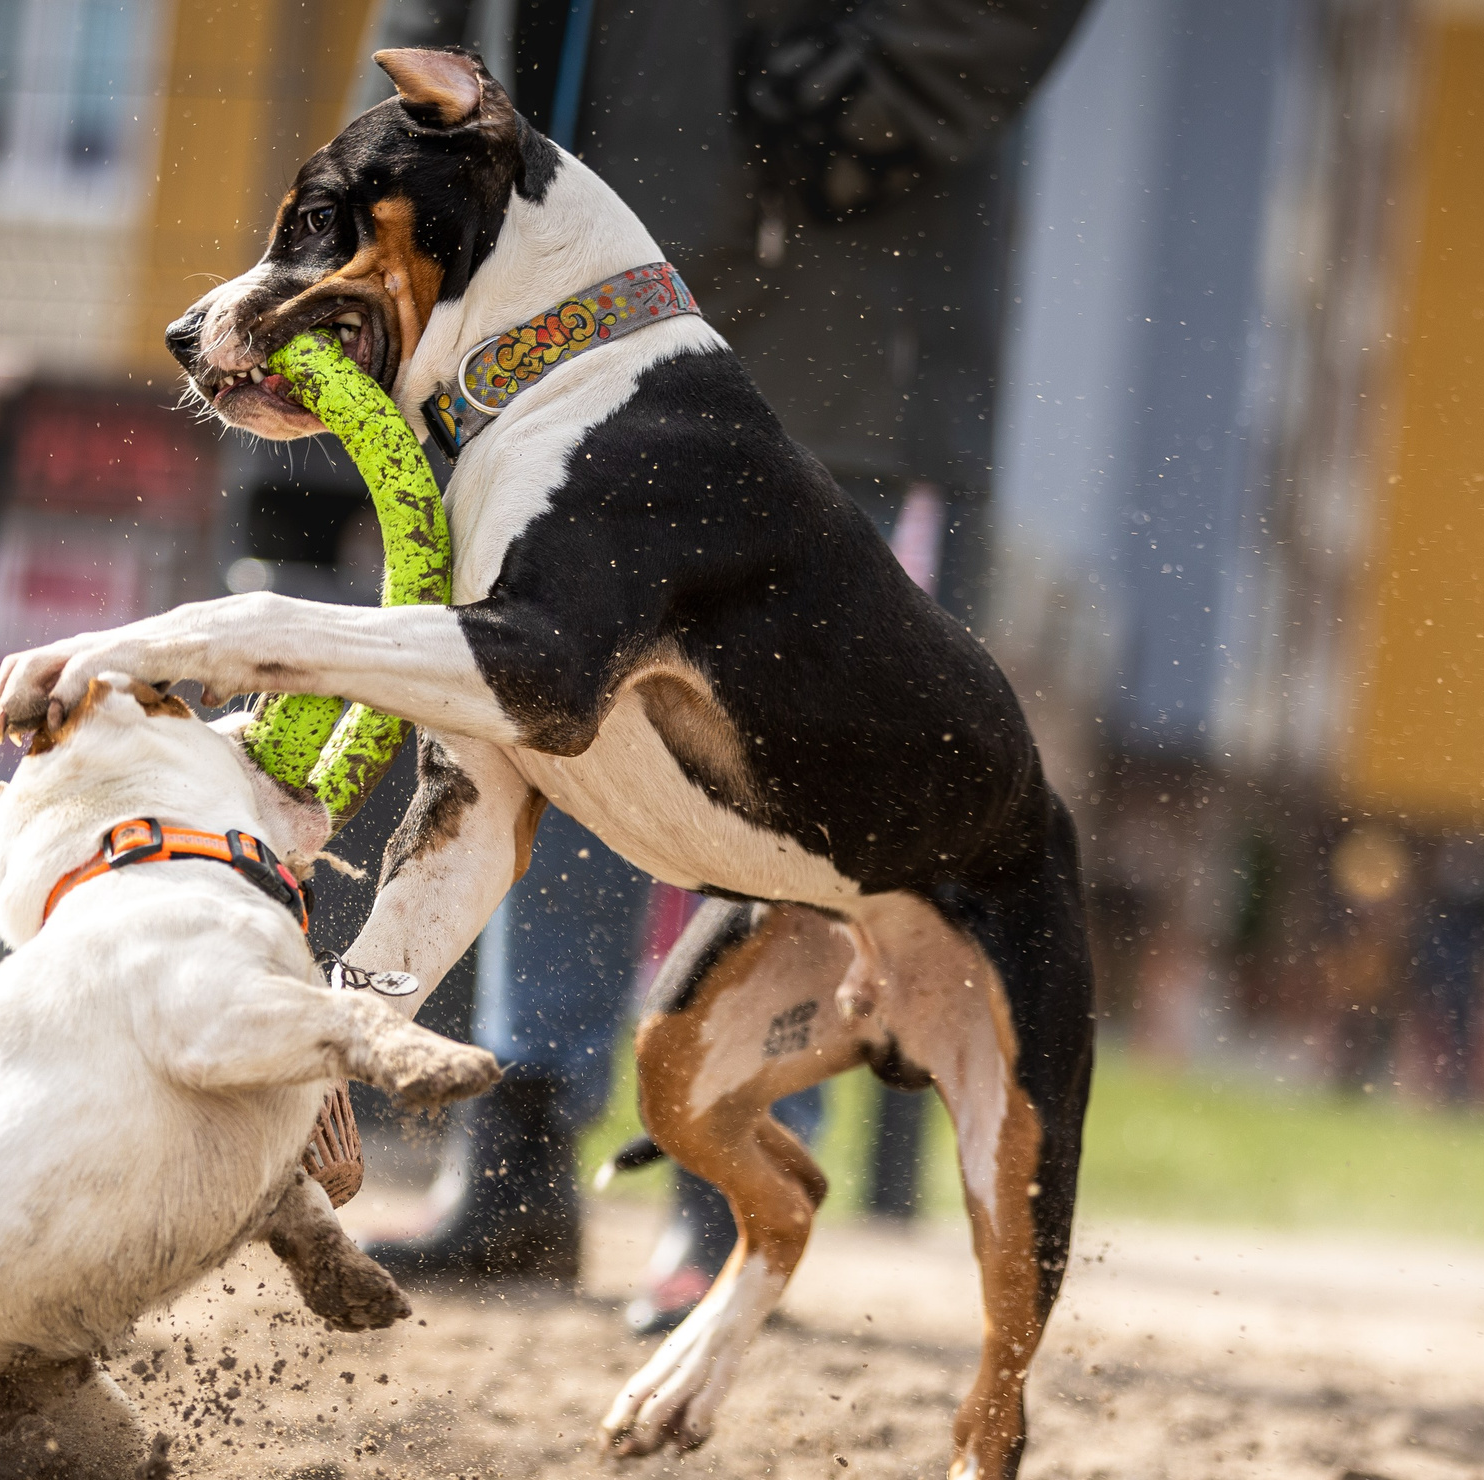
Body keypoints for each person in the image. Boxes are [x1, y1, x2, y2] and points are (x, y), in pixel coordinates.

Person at [359, 0, 1089, 1329]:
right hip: (544, 271)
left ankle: (738, 1180)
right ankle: (516, 1159)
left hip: (811, 284)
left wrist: (871, 110)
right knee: (553, 691)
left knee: (784, 760)